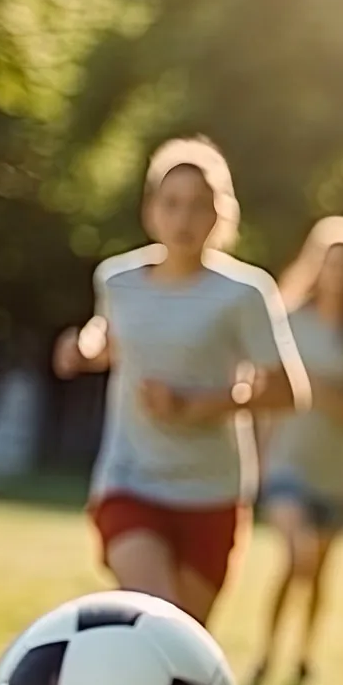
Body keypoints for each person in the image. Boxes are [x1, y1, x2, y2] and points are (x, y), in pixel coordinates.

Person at [53, 136, 310, 626]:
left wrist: (199, 405)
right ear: (152, 211)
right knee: (157, 619)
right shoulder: (116, 280)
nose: (184, 219)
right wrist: (83, 349)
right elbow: (109, 335)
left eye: (198, 206)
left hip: (211, 490)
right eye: (172, 204)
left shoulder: (246, 293)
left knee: (184, 645)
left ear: (220, 214)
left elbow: (288, 392)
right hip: (128, 479)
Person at [247, 216, 343, 685]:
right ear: (317, 266)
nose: (336, 275)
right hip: (286, 462)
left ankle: (303, 656)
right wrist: (256, 455)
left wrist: (328, 396)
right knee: (298, 557)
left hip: (335, 470)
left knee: (318, 572)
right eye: (330, 264)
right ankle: (264, 654)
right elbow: (264, 393)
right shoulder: (289, 320)